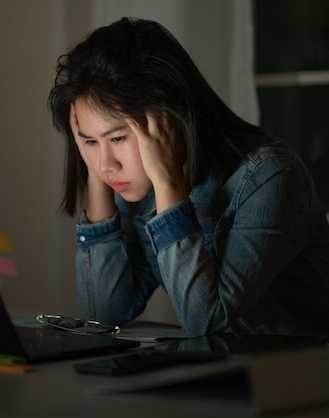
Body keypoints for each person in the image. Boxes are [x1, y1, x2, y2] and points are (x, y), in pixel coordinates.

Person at [48, 17, 329, 337]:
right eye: (88, 141)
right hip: (222, 376)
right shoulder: (132, 185)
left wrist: (168, 185)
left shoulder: (270, 178)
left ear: (170, 118)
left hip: (302, 377)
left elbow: (205, 322)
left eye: (118, 139)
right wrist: (96, 179)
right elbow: (104, 313)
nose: (106, 163)